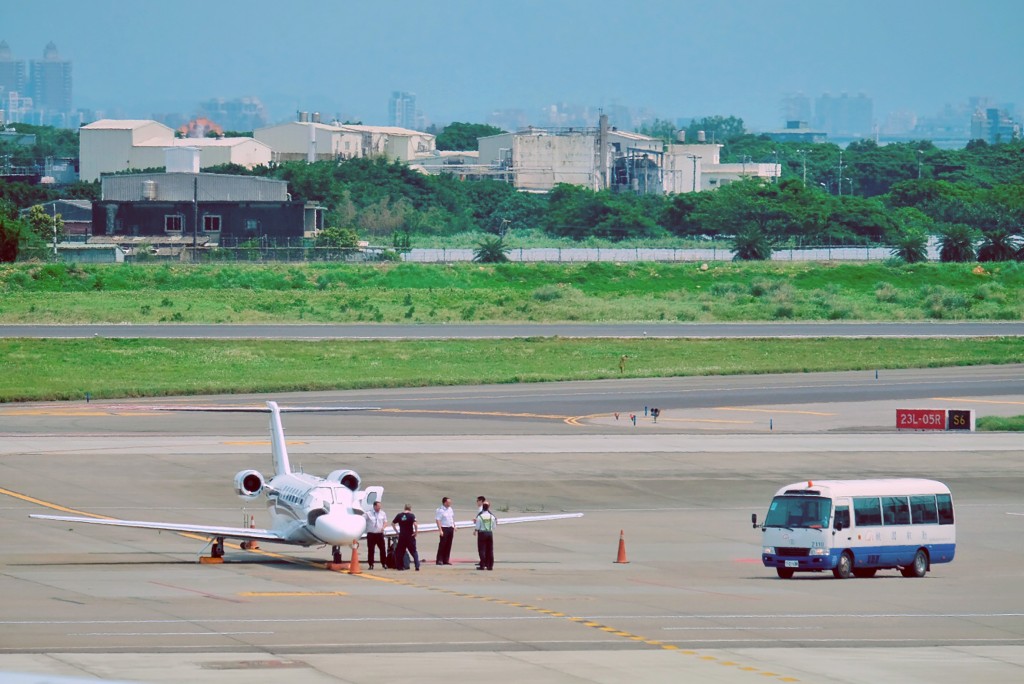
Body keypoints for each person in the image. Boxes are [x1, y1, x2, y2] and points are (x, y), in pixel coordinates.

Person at [391, 504, 420, 571]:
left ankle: (400, 566)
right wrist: (416, 532)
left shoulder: (399, 515)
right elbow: (415, 524)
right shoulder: (412, 515)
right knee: (414, 551)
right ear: (410, 509)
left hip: (402, 536)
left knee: (400, 552)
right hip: (410, 536)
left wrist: (397, 531)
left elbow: (392, 523)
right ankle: (417, 565)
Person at [363, 500, 387, 570]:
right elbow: (362, 519)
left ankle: (384, 563)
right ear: (374, 506)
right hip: (371, 534)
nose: (379, 507)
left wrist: (383, 527)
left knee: (382, 549)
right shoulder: (368, 513)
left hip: (379, 534)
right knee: (371, 550)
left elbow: (385, 522)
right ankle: (371, 564)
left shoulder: (383, 513)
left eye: (380, 506)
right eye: (378, 506)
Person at [474, 501, 497, 570]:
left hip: (482, 533)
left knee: (482, 549)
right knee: (490, 549)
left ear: (482, 508)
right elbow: (494, 526)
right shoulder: (492, 516)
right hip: (489, 533)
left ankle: (482, 565)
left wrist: (476, 530)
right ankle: (490, 565)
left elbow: (477, 527)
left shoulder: (480, 516)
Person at [434, 497, 455, 565]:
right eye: (449, 502)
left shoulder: (450, 509)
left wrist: (454, 526)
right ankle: (439, 560)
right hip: (444, 528)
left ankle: (446, 560)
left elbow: (451, 518)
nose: (450, 503)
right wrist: (440, 530)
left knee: (449, 544)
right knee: (442, 544)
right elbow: (438, 520)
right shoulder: (440, 510)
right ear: (445, 502)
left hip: (450, 528)